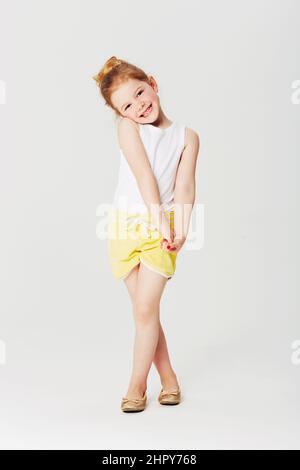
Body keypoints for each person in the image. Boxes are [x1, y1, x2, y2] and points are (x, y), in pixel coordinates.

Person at [93, 56, 200, 412]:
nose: (138, 105)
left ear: (152, 83)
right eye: (127, 104)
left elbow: (184, 186)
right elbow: (144, 177)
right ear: (121, 113)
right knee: (146, 312)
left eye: (140, 93)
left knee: (143, 309)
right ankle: (168, 379)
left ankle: (136, 386)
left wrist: (179, 229)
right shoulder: (128, 128)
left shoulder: (187, 137)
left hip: (162, 228)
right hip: (124, 225)